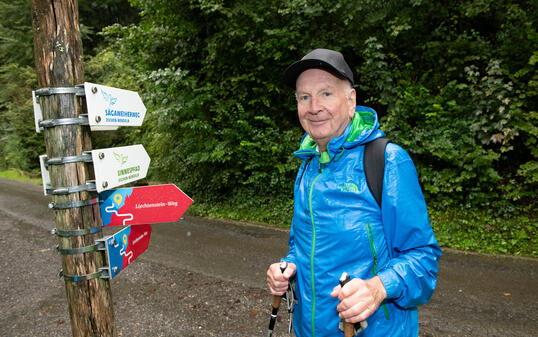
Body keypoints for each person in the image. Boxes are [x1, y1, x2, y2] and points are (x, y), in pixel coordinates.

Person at [266, 48, 442, 337]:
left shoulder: (386, 161)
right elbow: (303, 246)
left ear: (350, 102)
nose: (314, 107)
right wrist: (288, 267)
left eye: (326, 94)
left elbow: (423, 258)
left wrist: (377, 287)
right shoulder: (308, 166)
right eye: (304, 97)